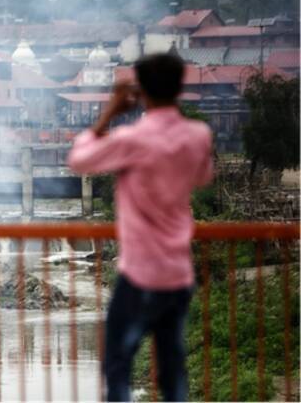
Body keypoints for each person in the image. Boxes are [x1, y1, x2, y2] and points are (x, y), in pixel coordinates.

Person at [68, 53, 213, 402]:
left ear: (141, 91)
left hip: (140, 274)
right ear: (179, 87)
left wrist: (110, 113)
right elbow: (203, 176)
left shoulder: (132, 139)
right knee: (172, 365)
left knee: (118, 364)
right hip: (179, 273)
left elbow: (79, 160)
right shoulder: (198, 135)